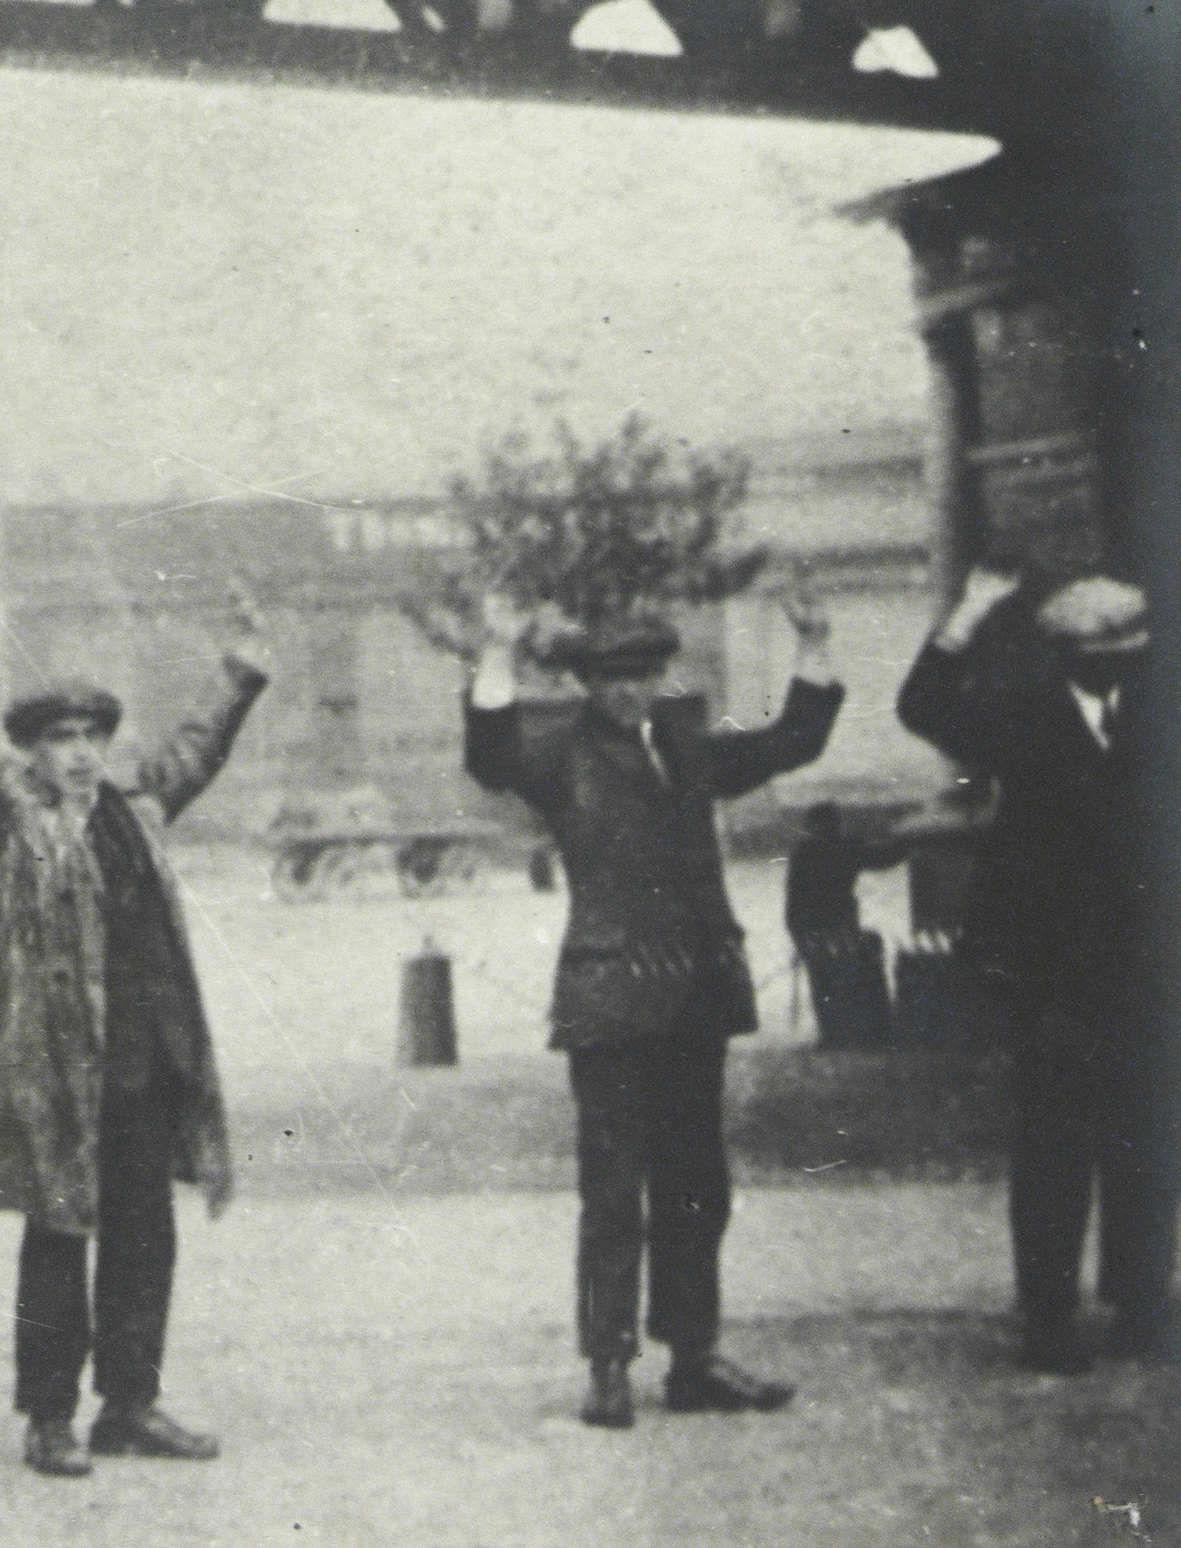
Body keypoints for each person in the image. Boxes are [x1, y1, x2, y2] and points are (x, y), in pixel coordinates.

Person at [462, 592, 842, 1430]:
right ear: (589, 684)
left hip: (696, 999)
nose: (632, 692)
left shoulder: (689, 746)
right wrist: (494, 654)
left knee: (699, 1186)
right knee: (611, 1194)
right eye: (612, 678)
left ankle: (694, 1358)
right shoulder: (560, 752)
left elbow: (794, 741)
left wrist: (813, 644)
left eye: (645, 674)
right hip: (610, 1005)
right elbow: (491, 755)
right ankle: (608, 1366)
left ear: (664, 674)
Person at [0, 618, 266, 1479]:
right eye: (60, 739)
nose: (80, 754)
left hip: (148, 1062)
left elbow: (195, 752)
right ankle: (48, 1418)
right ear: (33, 756)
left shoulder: (138, 813)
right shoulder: (16, 827)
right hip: (59, 1078)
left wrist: (237, 674)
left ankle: (129, 1405)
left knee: (144, 1235)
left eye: (92, 737)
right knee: (56, 1238)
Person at [896, 568, 1175, 1371]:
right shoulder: (1021, 719)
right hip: (1049, 968)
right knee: (1055, 1138)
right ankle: (1049, 1314)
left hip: (1147, 967)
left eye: (1133, 652)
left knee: (1147, 1136)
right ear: (1065, 655)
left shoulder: (1158, 716)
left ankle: (1143, 1305)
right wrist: (968, 616)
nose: (1124, 668)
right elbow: (921, 707)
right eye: (1106, 654)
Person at [783, 802, 912, 1049]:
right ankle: (874, 1031)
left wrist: (798, 938)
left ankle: (835, 1034)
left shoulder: (804, 851)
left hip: (813, 928)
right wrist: (907, 841)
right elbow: (883, 858)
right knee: (859, 967)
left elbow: (792, 902)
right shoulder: (844, 845)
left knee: (826, 981)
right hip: (836, 925)